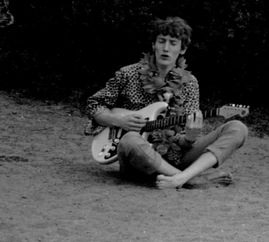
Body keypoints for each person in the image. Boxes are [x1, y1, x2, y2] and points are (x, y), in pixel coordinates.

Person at [84, 17, 247, 189]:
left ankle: (180, 177)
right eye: (161, 41)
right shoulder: (128, 74)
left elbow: (183, 142)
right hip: (137, 160)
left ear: (182, 49)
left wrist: (190, 138)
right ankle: (190, 180)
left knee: (238, 128)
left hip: (177, 158)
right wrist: (118, 121)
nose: (166, 48)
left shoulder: (189, 83)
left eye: (173, 43)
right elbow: (93, 104)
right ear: (154, 44)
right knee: (130, 139)